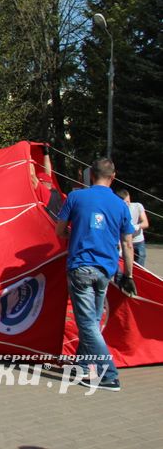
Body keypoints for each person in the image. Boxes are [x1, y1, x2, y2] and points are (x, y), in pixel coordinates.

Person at [55, 157, 136, 392]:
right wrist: (128, 275)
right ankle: (81, 368)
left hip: (80, 268)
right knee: (91, 322)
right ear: (114, 176)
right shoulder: (121, 205)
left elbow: (60, 230)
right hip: (106, 271)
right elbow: (128, 244)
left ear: (91, 176)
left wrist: (76, 233)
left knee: (88, 324)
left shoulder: (76, 197)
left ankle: (109, 374)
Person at [115, 188, 150, 267]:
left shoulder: (137, 206)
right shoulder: (116, 210)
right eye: (125, 202)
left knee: (140, 267)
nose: (128, 204)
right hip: (123, 241)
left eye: (128, 201)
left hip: (138, 241)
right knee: (121, 268)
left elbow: (145, 223)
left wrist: (136, 226)